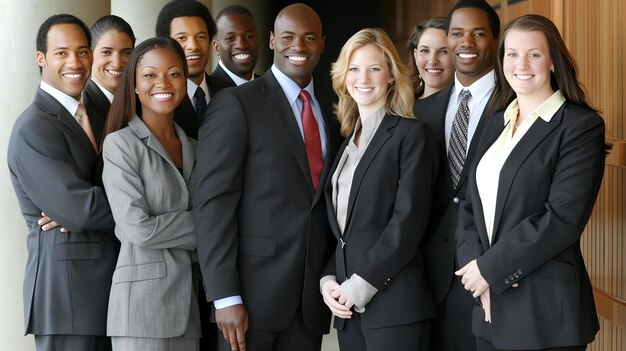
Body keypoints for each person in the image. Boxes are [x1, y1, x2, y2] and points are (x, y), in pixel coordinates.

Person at [193, 3, 339, 351]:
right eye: (288, 37)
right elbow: (213, 203)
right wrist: (225, 296)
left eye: (309, 38)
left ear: (322, 43)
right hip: (248, 301)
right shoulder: (236, 104)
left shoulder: (335, 111)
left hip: (309, 304)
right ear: (272, 41)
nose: (298, 47)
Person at [455, 14, 604, 351]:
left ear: (552, 62)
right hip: (488, 307)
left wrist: (490, 271)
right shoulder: (496, 121)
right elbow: (468, 205)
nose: (521, 64)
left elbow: (562, 219)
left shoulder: (579, 127)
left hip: (543, 312)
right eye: (511, 54)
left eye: (534, 54)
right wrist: (477, 275)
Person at [320, 28, 437, 350]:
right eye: (354, 69)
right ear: (343, 77)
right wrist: (328, 279)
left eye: (374, 68)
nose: (363, 78)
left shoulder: (412, 135)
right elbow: (344, 228)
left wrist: (360, 284)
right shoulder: (345, 144)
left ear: (390, 76)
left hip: (395, 305)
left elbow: (408, 222)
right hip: (347, 307)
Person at [7, 14, 118, 351]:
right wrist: (137, 207)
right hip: (68, 296)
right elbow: (79, 209)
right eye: (61, 53)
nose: (75, 62)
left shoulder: (99, 116)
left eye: (83, 51)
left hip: (108, 290)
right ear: (41, 58)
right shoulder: (33, 128)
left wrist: (86, 205)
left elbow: (83, 206)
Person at [101, 36, 201, 350]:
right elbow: (137, 230)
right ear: (133, 84)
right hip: (140, 311)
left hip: (189, 312)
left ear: (185, 82)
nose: (163, 82)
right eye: (150, 75)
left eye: (174, 73)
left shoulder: (196, 148)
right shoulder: (120, 145)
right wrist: (205, 225)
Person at [415, 1, 501, 350]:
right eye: (456, 34)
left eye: (478, 33)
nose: (466, 42)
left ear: (496, 39)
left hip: (491, 274)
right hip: (430, 279)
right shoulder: (423, 112)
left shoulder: (514, 104)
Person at [156, 0, 230, 138]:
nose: (193, 46)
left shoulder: (229, 91)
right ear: (164, 46)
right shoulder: (157, 99)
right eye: (182, 38)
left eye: (201, 37)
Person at [84, 15, 135, 124]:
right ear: (90, 54)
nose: (117, 63)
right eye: (107, 52)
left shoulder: (135, 100)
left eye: (126, 53)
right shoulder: (84, 107)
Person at [212, 4, 260, 86]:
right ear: (217, 47)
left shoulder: (272, 88)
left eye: (249, 36)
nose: (242, 45)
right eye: (230, 38)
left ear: (258, 40)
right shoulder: (208, 94)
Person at [406, 17, 454, 99]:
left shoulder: (464, 109)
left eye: (443, 52)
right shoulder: (401, 108)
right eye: (425, 51)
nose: (432, 61)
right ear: (415, 55)